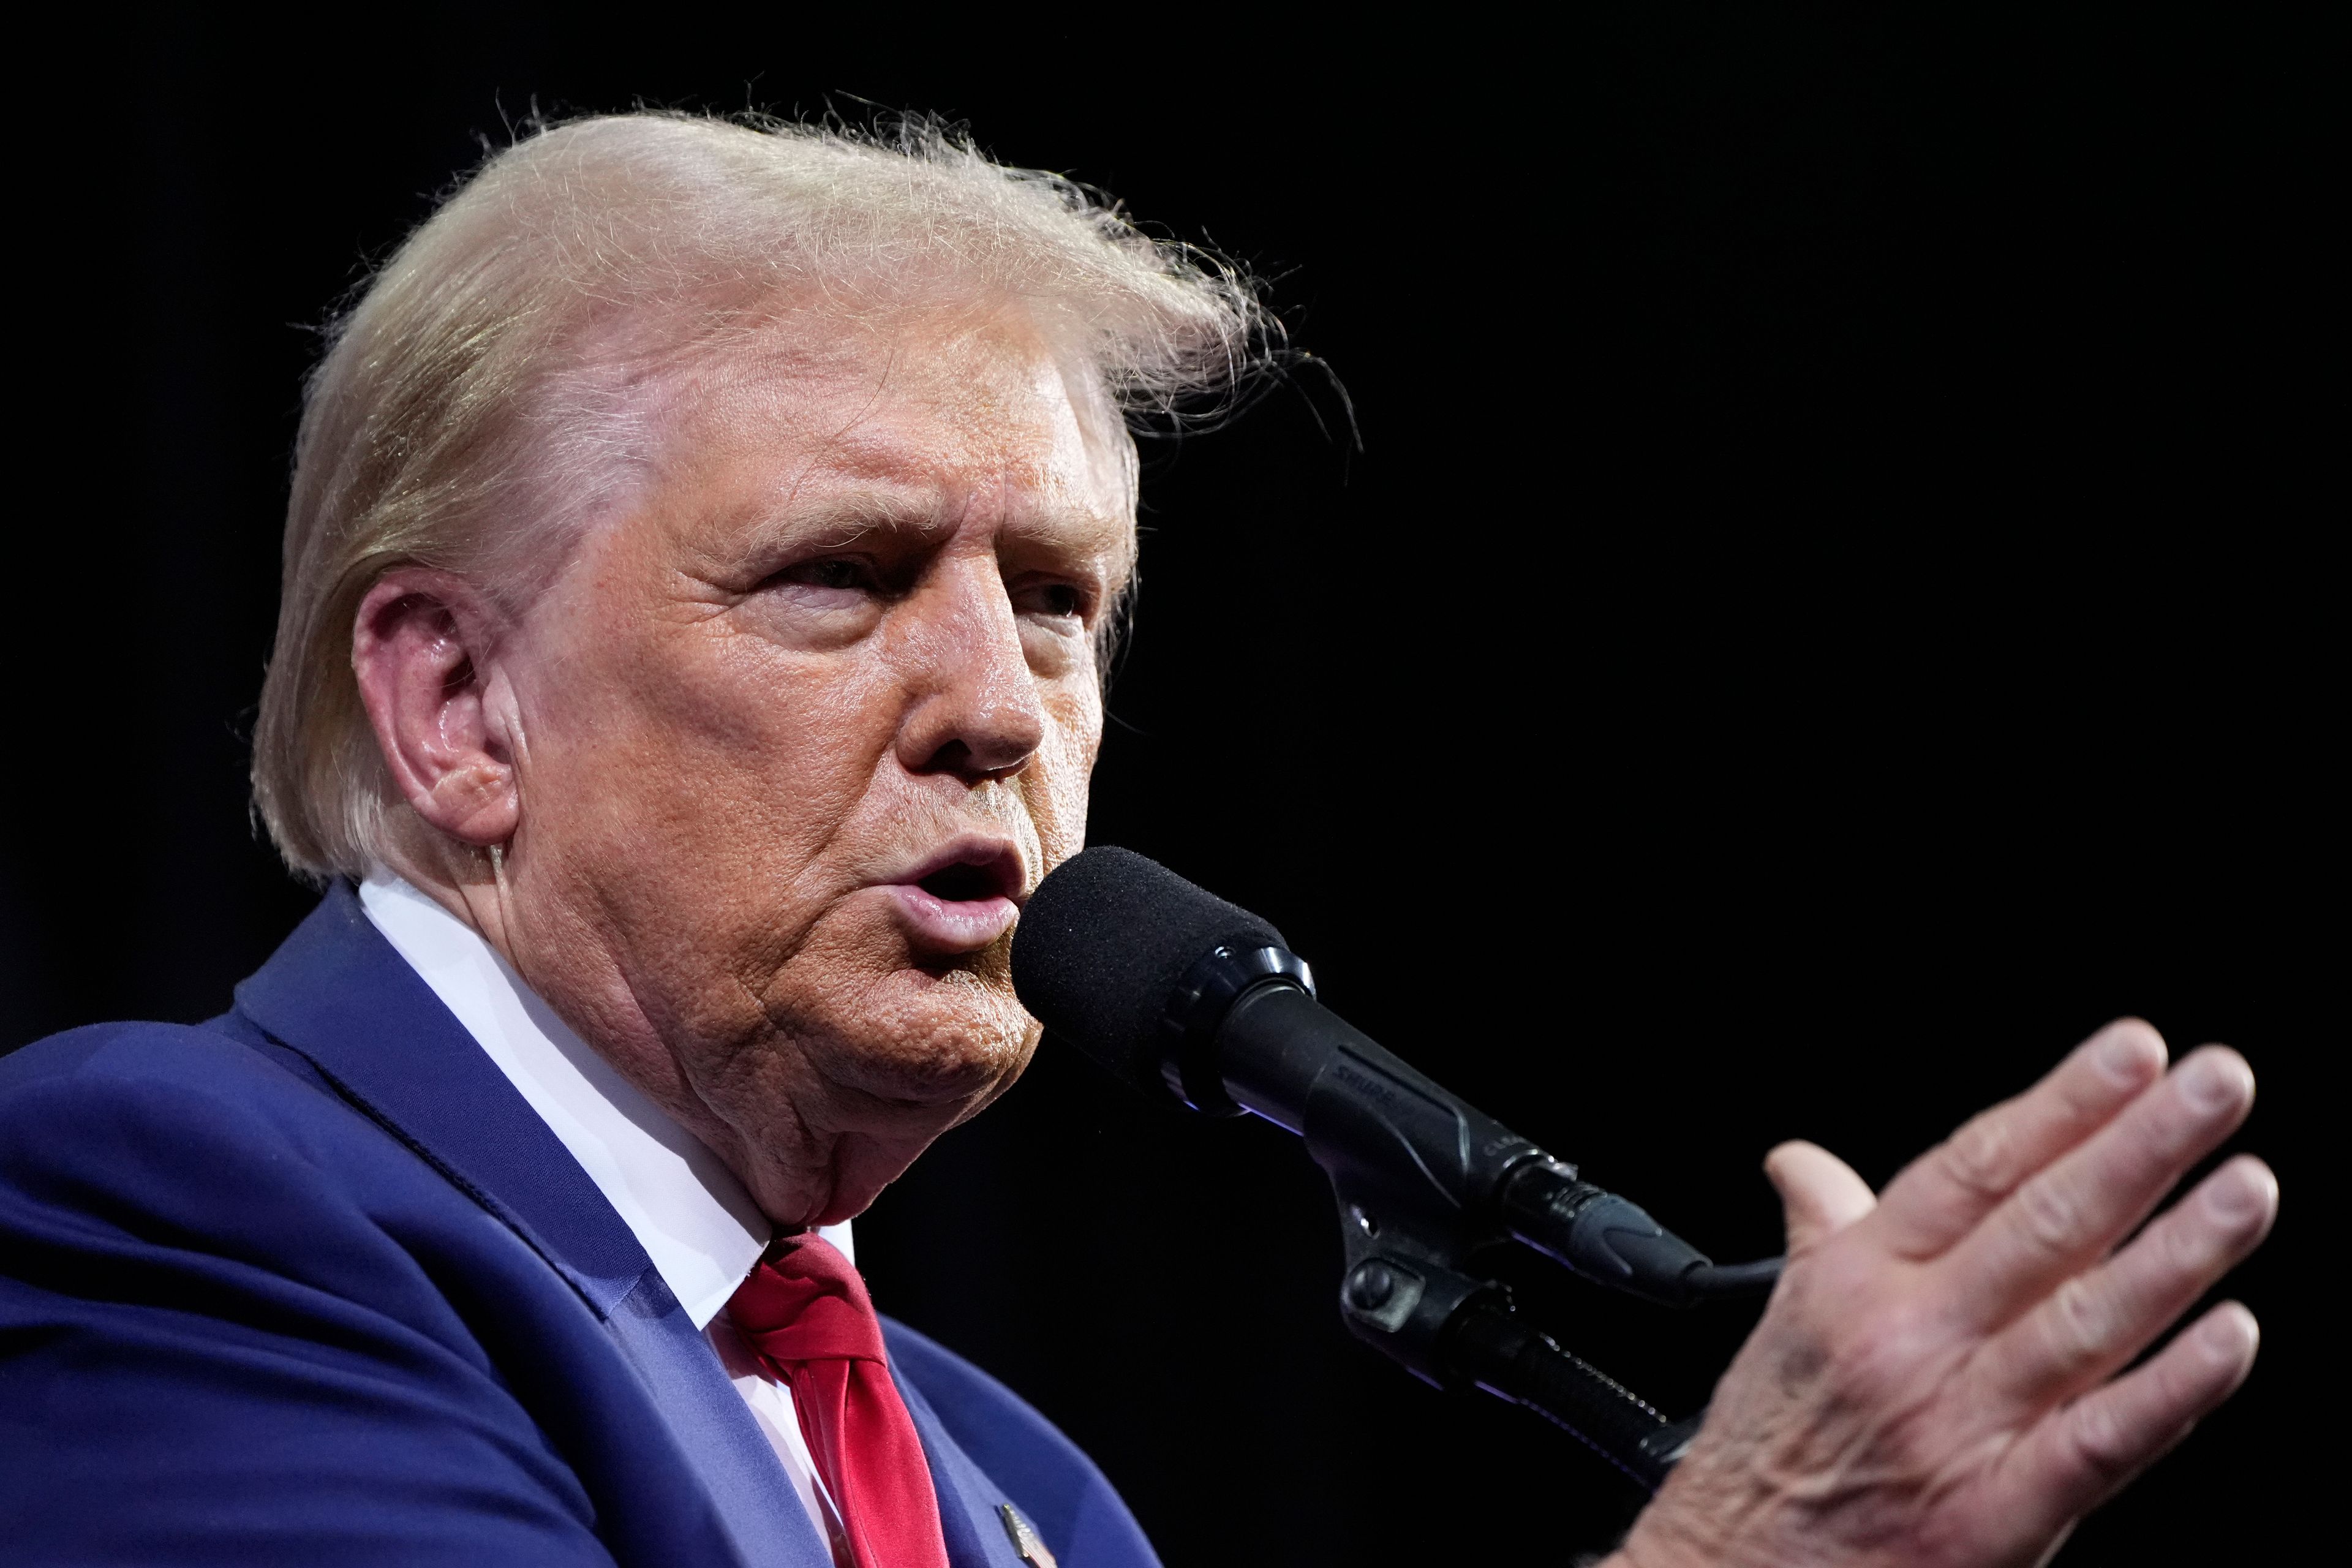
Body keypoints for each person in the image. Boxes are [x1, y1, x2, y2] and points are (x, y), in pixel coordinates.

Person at [0, 113, 2275, 1567]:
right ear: (456, 704)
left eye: (1062, 601)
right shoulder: (167, 1205)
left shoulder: (1032, 1506)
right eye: (842, 576)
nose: (1003, 708)